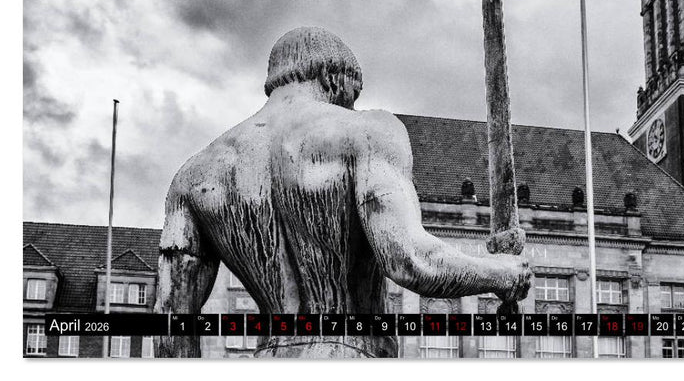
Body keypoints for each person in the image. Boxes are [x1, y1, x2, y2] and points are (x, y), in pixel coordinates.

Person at [155, 27, 531, 357]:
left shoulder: (194, 174)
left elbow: (171, 318)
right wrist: (504, 274)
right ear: (333, 77)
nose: (352, 105)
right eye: (353, 94)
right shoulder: (368, 131)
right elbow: (410, 260)